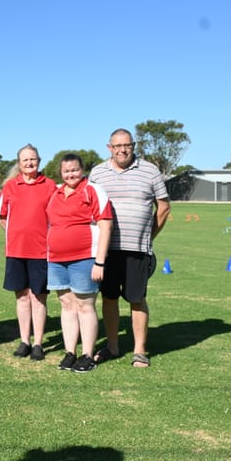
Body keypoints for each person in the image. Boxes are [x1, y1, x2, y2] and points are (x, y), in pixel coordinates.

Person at [89, 128, 171, 368]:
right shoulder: (98, 173)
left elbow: (163, 207)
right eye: (117, 146)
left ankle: (139, 351)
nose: (123, 150)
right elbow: (91, 207)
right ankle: (112, 347)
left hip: (137, 249)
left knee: (137, 299)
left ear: (133, 146)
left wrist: (148, 236)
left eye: (128, 145)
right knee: (109, 297)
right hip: (107, 250)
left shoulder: (149, 170)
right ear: (109, 148)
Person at [45, 153, 113, 372]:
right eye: (66, 171)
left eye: (74, 170)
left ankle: (87, 355)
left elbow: (106, 226)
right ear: (60, 172)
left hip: (85, 258)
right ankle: (70, 352)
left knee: (85, 305)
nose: (70, 174)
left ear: (82, 170)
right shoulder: (55, 193)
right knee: (67, 304)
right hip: (56, 259)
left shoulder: (92, 190)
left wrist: (100, 262)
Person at [0, 144, 57, 361]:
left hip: (41, 251)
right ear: (19, 163)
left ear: (39, 160)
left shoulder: (50, 186)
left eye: (33, 159)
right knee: (22, 297)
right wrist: (18, 233)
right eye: (25, 160)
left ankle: (38, 343)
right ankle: (25, 341)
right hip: (16, 251)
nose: (29, 163)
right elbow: (2, 217)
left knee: (38, 297)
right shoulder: (10, 187)